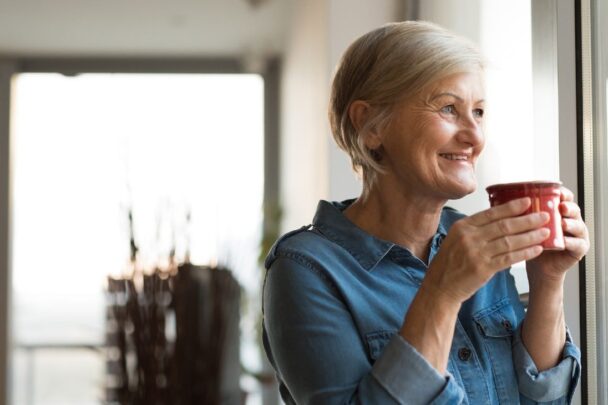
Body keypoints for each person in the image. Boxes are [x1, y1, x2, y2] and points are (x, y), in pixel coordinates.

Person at [262, 21, 587, 404]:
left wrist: (548, 281)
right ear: (369, 126)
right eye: (449, 108)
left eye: (479, 112)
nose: (475, 136)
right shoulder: (306, 269)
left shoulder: (476, 242)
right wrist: (443, 291)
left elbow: (542, 401)